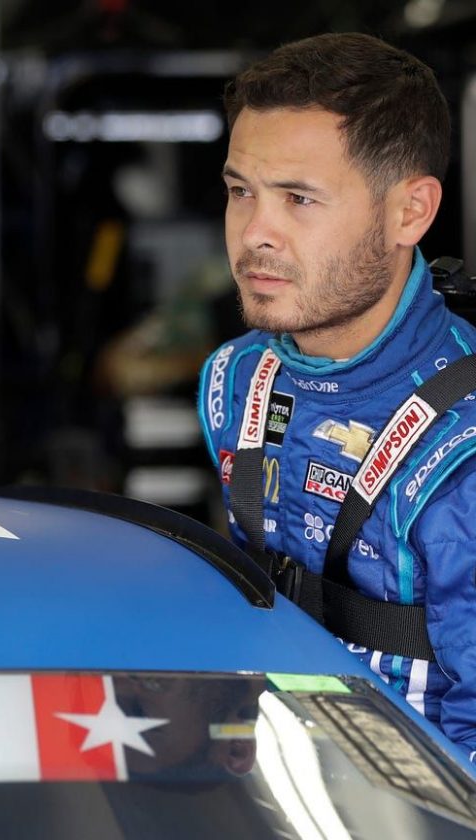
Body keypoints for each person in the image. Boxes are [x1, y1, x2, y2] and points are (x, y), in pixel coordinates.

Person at [197, 31, 476, 761]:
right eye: (240, 191)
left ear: (410, 213)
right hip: (284, 777)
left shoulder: (464, 452)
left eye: (299, 198)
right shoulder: (236, 380)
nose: (255, 233)